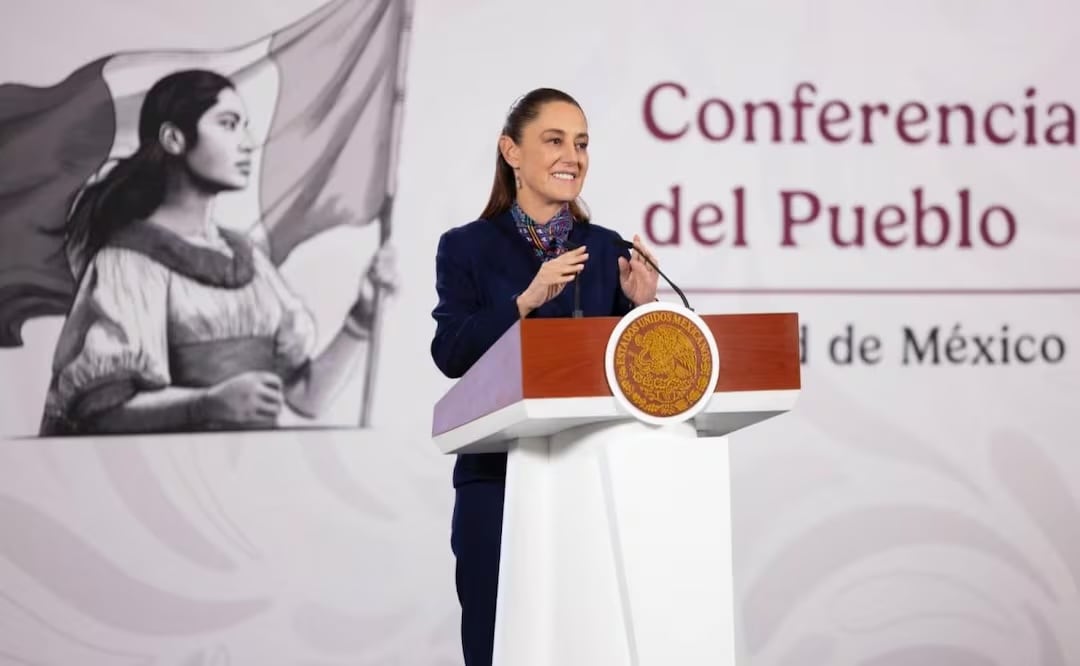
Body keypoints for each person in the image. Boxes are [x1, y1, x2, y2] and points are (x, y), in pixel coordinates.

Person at [429, 87, 660, 666]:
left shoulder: (605, 248)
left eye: (581, 143)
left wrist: (641, 308)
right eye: (554, 140)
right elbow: (451, 352)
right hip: (497, 480)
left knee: (592, 639)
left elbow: (628, 369)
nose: (573, 155)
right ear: (511, 151)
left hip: (591, 473)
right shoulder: (466, 247)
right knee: (497, 642)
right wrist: (523, 302)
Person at [39, 68, 396, 436]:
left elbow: (307, 397)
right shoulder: (128, 262)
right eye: (228, 124)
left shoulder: (250, 260)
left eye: (244, 125)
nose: (247, 142)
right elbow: (100, 413)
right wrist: (205, 404)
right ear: (174, 138)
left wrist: (362, 317)